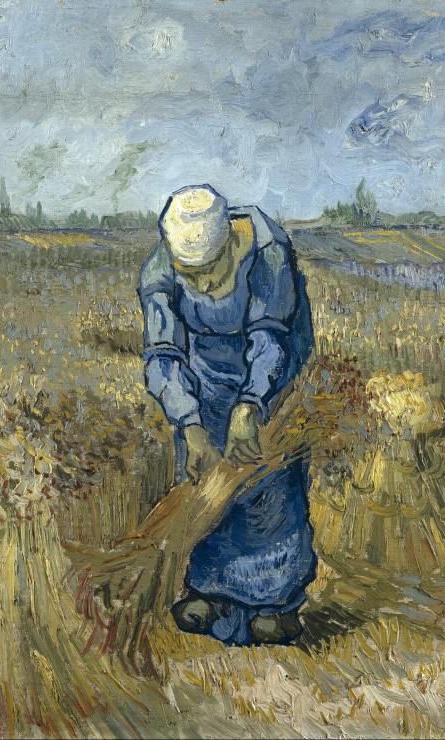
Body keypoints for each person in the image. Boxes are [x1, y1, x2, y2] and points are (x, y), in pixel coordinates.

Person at [138, 184, 316, 646]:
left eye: (207, 272)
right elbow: (162, 354)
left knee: (268, 486)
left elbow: (270, 337)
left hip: (270, 373)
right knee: (210, 485)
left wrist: (251, 403)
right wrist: (190, 423)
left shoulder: (267, 253)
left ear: (228, 245)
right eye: (189, 275)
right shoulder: (159, 269)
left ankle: (275, 602)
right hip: (203, 384)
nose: (198, 286)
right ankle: (209, 593)